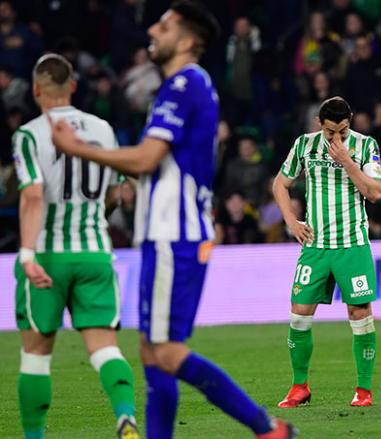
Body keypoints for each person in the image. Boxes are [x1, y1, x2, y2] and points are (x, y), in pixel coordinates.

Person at [49, 2, 296, 439]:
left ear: (184, 41)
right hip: (165, 234)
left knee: (164, 351)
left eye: (163, 26)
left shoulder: (184, 84)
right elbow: (159, 166)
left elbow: (147, 158)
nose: (151, 29)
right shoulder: (183, 87)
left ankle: (266, 427)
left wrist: (79, 149)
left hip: (174, 237)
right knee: (151, 351)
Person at [13, 54, 139, 438]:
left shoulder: (30, 134)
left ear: (36, 90)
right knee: (105, 348)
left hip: (48, 255)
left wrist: (28, 253)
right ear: (73, 86)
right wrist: (97, 219)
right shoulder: (103, 129)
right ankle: (125, 416)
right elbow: (118, 189)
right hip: (95, 252)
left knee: (36, 355)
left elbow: (33, 196)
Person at [272, 96, 381, 408]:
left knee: (360, 315)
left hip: (352, 245)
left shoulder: (365, 146)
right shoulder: (304, 145)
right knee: (298, 316)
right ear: (319, 124)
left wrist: (347, 160)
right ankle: (299, 388)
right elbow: (280, 185)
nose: (337, 139)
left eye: (344, 132)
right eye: (332, 133)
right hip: (315, 247)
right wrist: (291, 221)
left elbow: (375, 192)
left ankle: (363, 391)